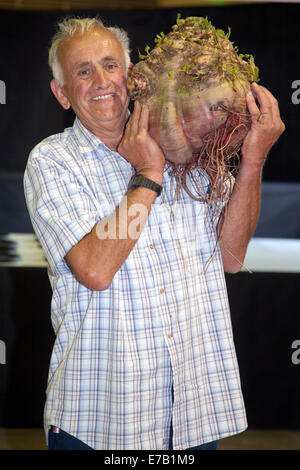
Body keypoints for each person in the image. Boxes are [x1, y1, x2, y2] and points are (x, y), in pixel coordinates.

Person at [23, 16, 285, 451]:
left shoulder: (186, 147)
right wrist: (148, 173)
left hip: (192, 415)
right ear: (62, 94)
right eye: (82, 71)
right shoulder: (52, 163)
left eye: (110, 65)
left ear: (133, 76)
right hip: (102, 421)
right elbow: (94, 268)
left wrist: (253, 160)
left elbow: (231, 258)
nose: (101, 80)